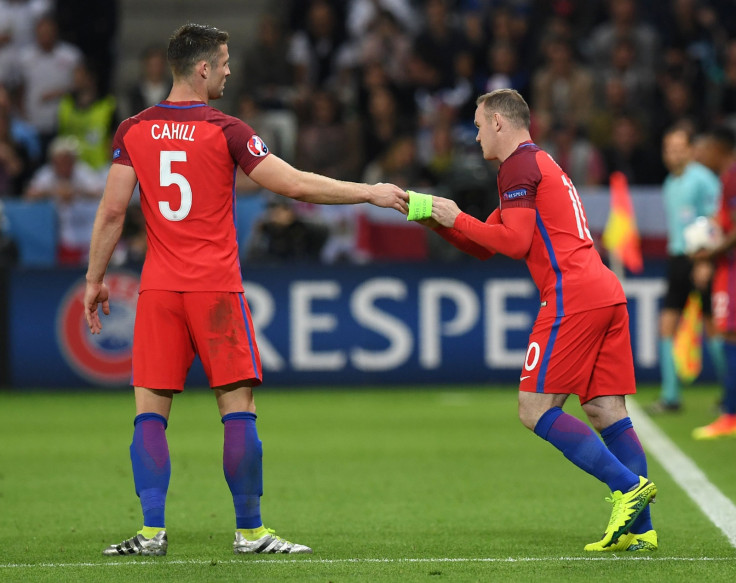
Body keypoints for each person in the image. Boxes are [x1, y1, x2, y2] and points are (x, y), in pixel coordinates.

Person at [83, 23, 408, 557]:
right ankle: (251, 532)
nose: (231, 69)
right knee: (237, 410)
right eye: (225, 61)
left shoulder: (133, 130)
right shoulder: (226, 129)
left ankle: (150, 533)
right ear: (203, 68)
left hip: (159, 291)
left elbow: (114, 211)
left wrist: (95, 279)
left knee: (149, 414)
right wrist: (369, 192)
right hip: (215, 290)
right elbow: (295, 184)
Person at [415, 88, 657, 552]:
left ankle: (627, 488)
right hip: (602, 289)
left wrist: (455, 215)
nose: (478, 132)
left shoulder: (517, 167)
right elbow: (485, 242)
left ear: (500, 123)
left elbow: (515, 243)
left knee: (534, 408)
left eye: (480, 123)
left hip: (572, 295)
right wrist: (434, 218)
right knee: (606, 410)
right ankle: (641, 530)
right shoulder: (536, 165)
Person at [649, 126, 723, 414]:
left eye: (679, 148)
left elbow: (717, 218)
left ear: (691, 150)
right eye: (669, 148)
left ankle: (730, 395)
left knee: (714, 328)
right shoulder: (670, 183)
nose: (673, 153)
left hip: (702, 258)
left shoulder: (703, 180)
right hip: (677, 259)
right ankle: (671, 396)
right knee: (667, 325)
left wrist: (706, 261)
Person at [690, 127, 736, 439]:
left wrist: (709, 253)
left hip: (732, 269)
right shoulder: (726, 178)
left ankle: (730, 415)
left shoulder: (732, 176)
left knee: (729, 335)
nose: (698, 154)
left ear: (718, 147)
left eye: (703, 147)